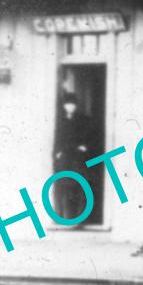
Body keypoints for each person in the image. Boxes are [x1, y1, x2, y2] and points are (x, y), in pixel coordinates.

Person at [52, 92, 96, 222]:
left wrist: (84, 147)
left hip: (78, 157)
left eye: (72, 104)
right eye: (67, 104)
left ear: (76, 105)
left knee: (79, 185)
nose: (69, 107)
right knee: (62, 185)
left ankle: (81, 217)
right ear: (64, 105)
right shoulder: (59, 120)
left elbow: (90, 137)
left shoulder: (84, 119)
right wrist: (57, 152)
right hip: (64, 157)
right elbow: (57, 138)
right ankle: (61, 216)